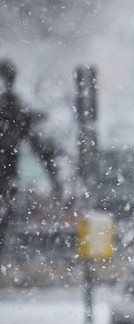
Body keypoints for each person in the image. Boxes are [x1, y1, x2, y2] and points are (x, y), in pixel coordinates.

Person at [0, 58, 62, 263]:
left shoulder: (13, 109)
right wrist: (56, 180)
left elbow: (40, 147)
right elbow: (41, 148)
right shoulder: (14, 108)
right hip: (6, 181)